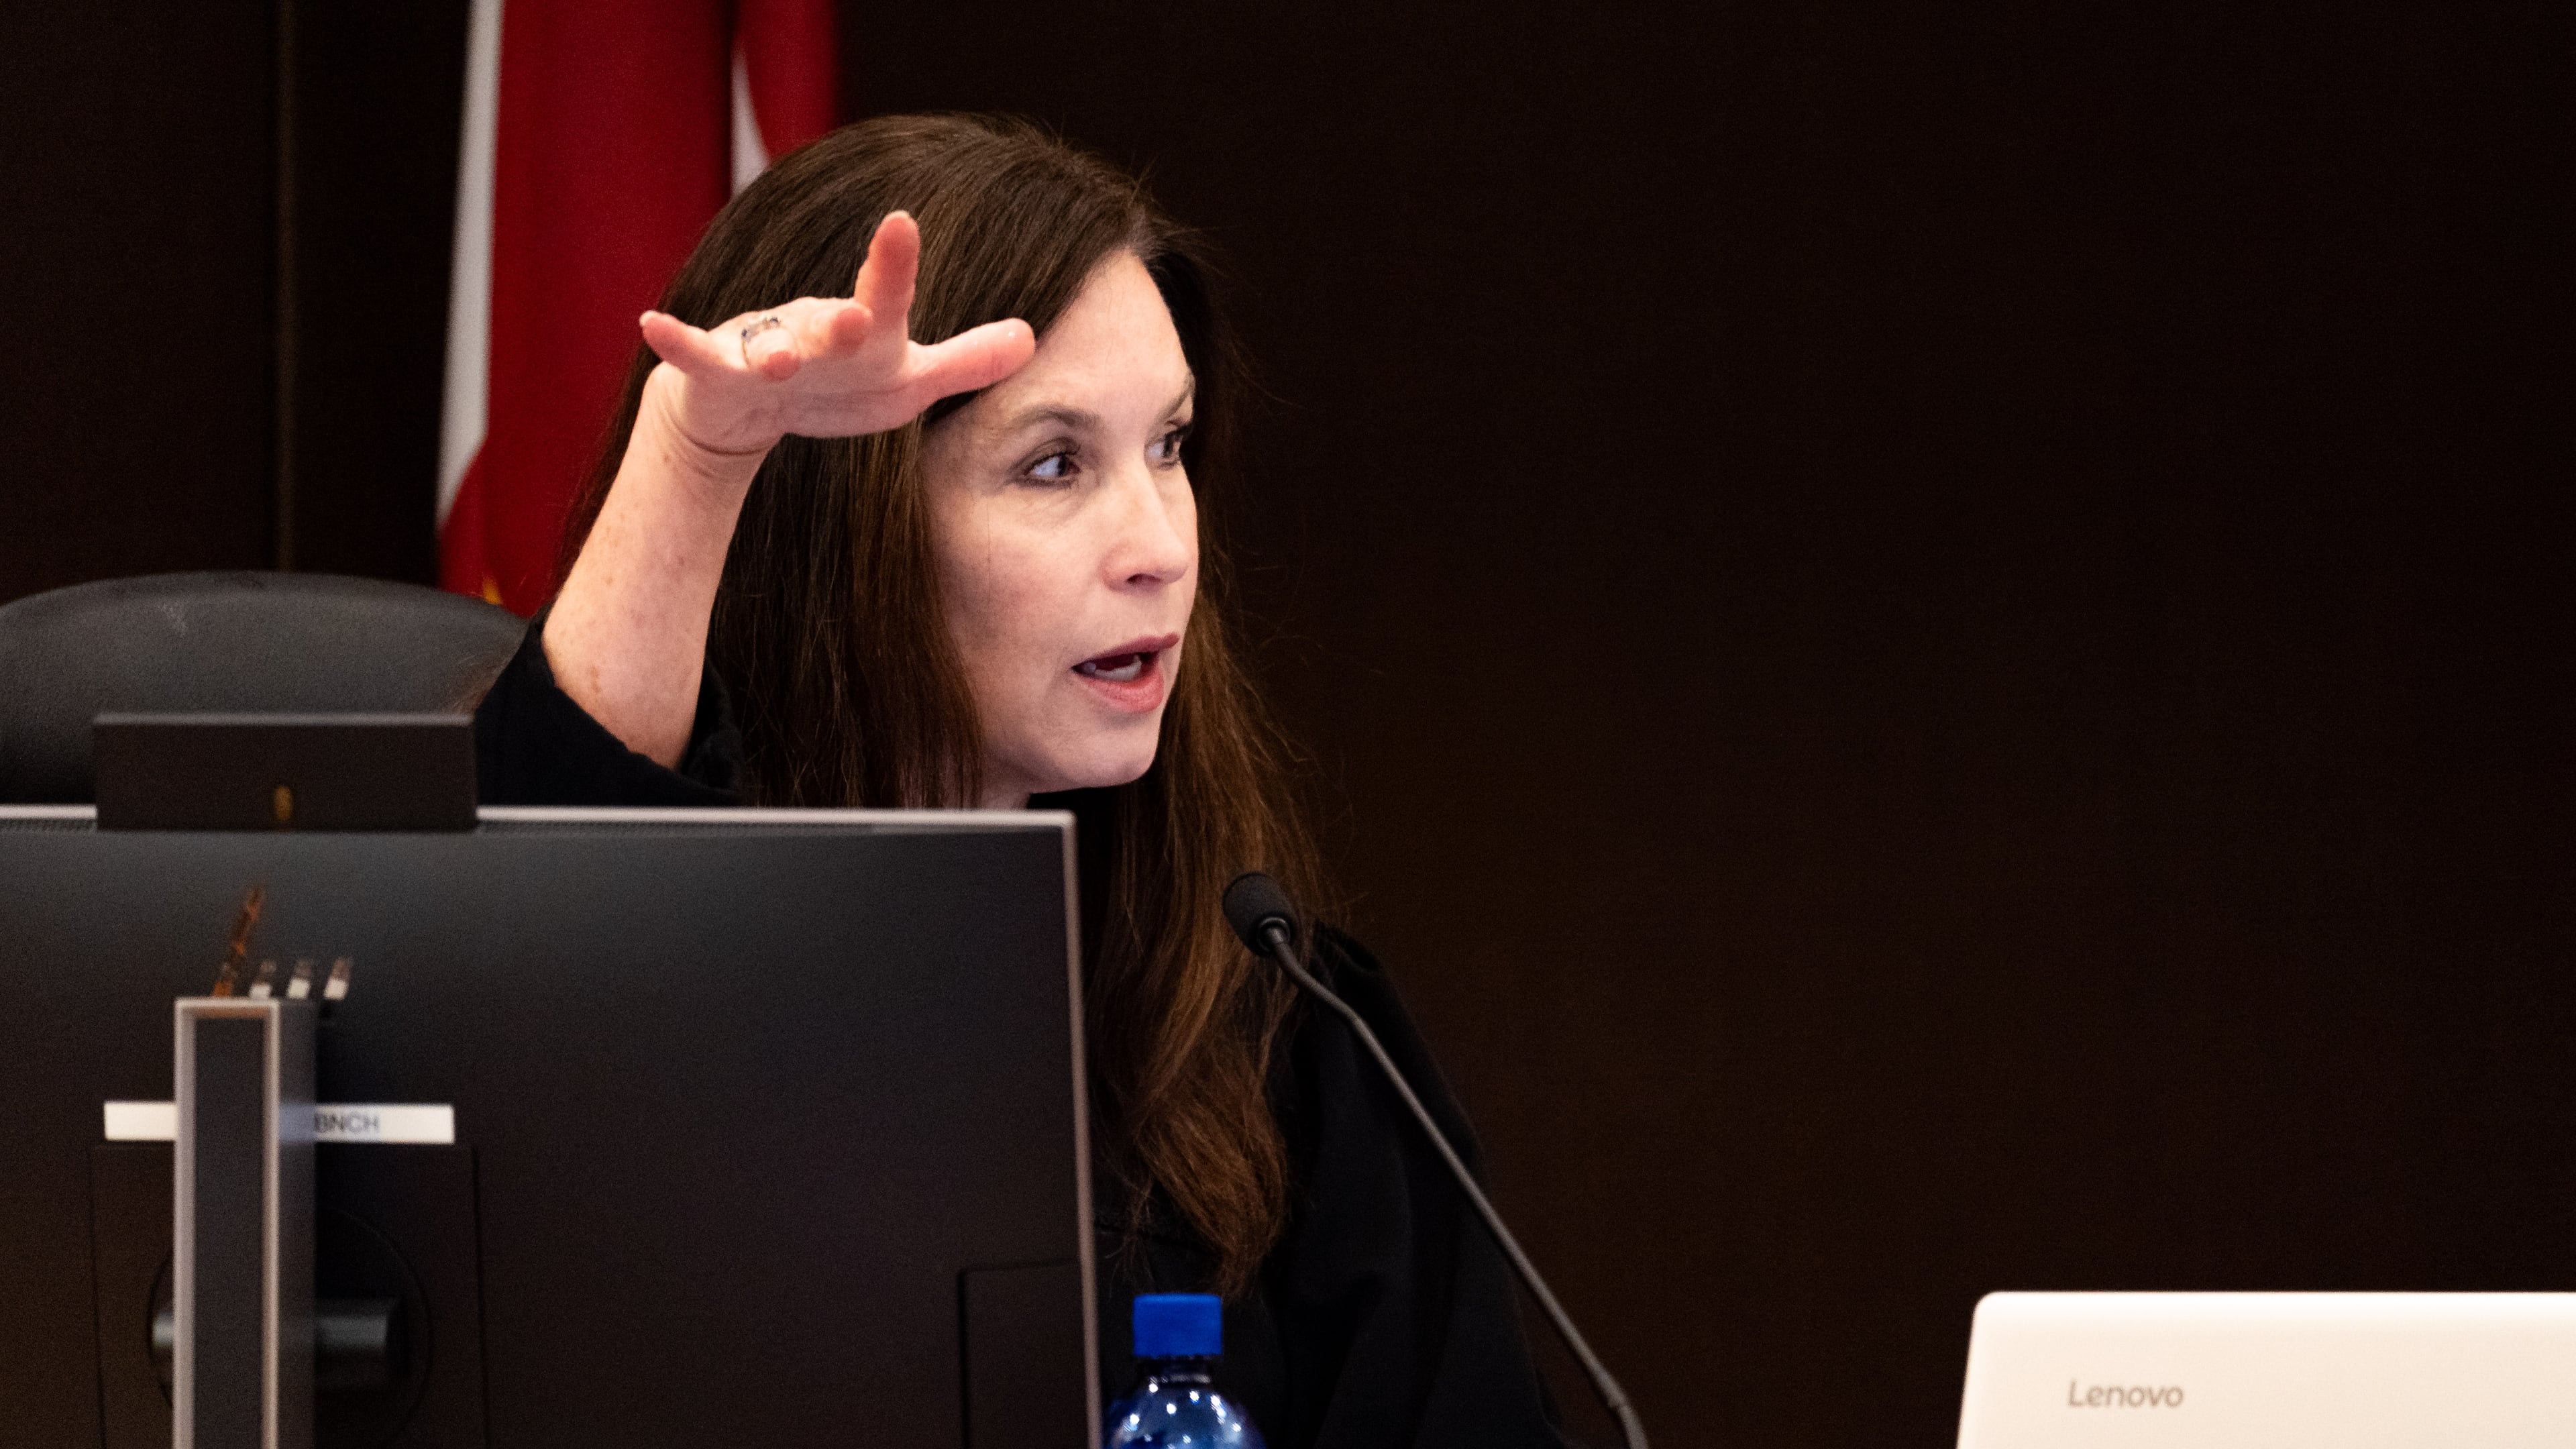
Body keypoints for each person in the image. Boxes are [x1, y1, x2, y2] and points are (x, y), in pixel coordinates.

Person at [474, 113, 1566, 1447]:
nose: (1161, 545)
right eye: (1056, 464)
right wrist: (706, 454)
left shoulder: (1283, 1027)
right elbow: (522, 890)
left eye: (1170, 446)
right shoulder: (647, 980)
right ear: (849, 524)